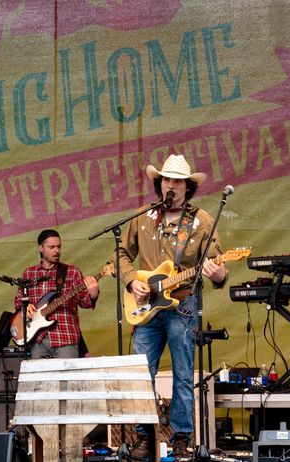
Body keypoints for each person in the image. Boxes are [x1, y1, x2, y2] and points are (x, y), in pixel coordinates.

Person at [115, 154, 228, 457]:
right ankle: (144, 437)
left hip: (182, 304)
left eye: (177, 181)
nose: (171, 185)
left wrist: (219, 274)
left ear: (188, 187)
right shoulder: (142, 216)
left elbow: (218, 263)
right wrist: (130, 282)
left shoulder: (201, 221)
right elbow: (122, 253)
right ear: (159, 183)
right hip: (145, 307)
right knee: (140, 373)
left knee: (181, 372)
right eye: (166, 179)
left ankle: (181, 436)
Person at [13, 229, 99, 359]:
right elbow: (19, 300)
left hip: (65, 338)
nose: (56, 251)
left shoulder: (72, 272)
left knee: (67, 379)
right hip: (37, 340)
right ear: (40, 248)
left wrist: (93, 294)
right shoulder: (28, 274)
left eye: (59, 247)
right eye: (51, 247)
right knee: (39, 379)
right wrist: (25, 306)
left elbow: (84, 303)